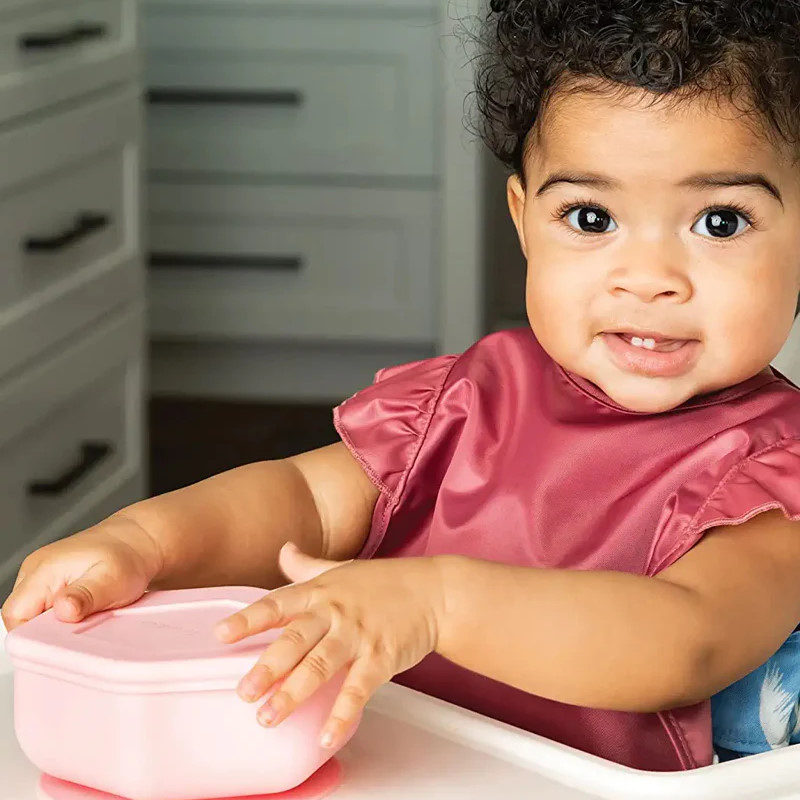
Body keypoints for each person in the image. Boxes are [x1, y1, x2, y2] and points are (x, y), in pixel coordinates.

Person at [5, 0, 800, 772]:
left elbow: (688, 638)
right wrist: (144, 545)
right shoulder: (463, 401)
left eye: (719, 222)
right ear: (523, 220)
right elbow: (303, 502)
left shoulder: (772, 474)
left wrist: (438, 607)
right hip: (387, 767)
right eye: (591, 219)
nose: (648, 279)